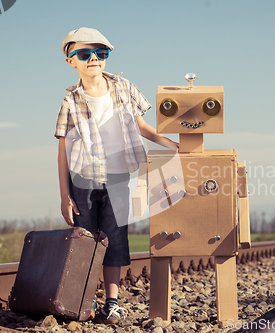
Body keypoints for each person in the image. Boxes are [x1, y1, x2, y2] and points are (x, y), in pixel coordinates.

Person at [55, 27, 177, 325]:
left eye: (101, 53)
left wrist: (172, 144)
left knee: (116, 239)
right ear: (71, 61)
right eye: (85, 54)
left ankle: (111, 303)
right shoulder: (70, 100)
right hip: (82, 179)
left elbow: (141, 126)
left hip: (119, 176)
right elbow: (62, 150)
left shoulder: (124, 87)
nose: (93, 58)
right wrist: (64, 195)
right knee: (85, 241)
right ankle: (84, 299)